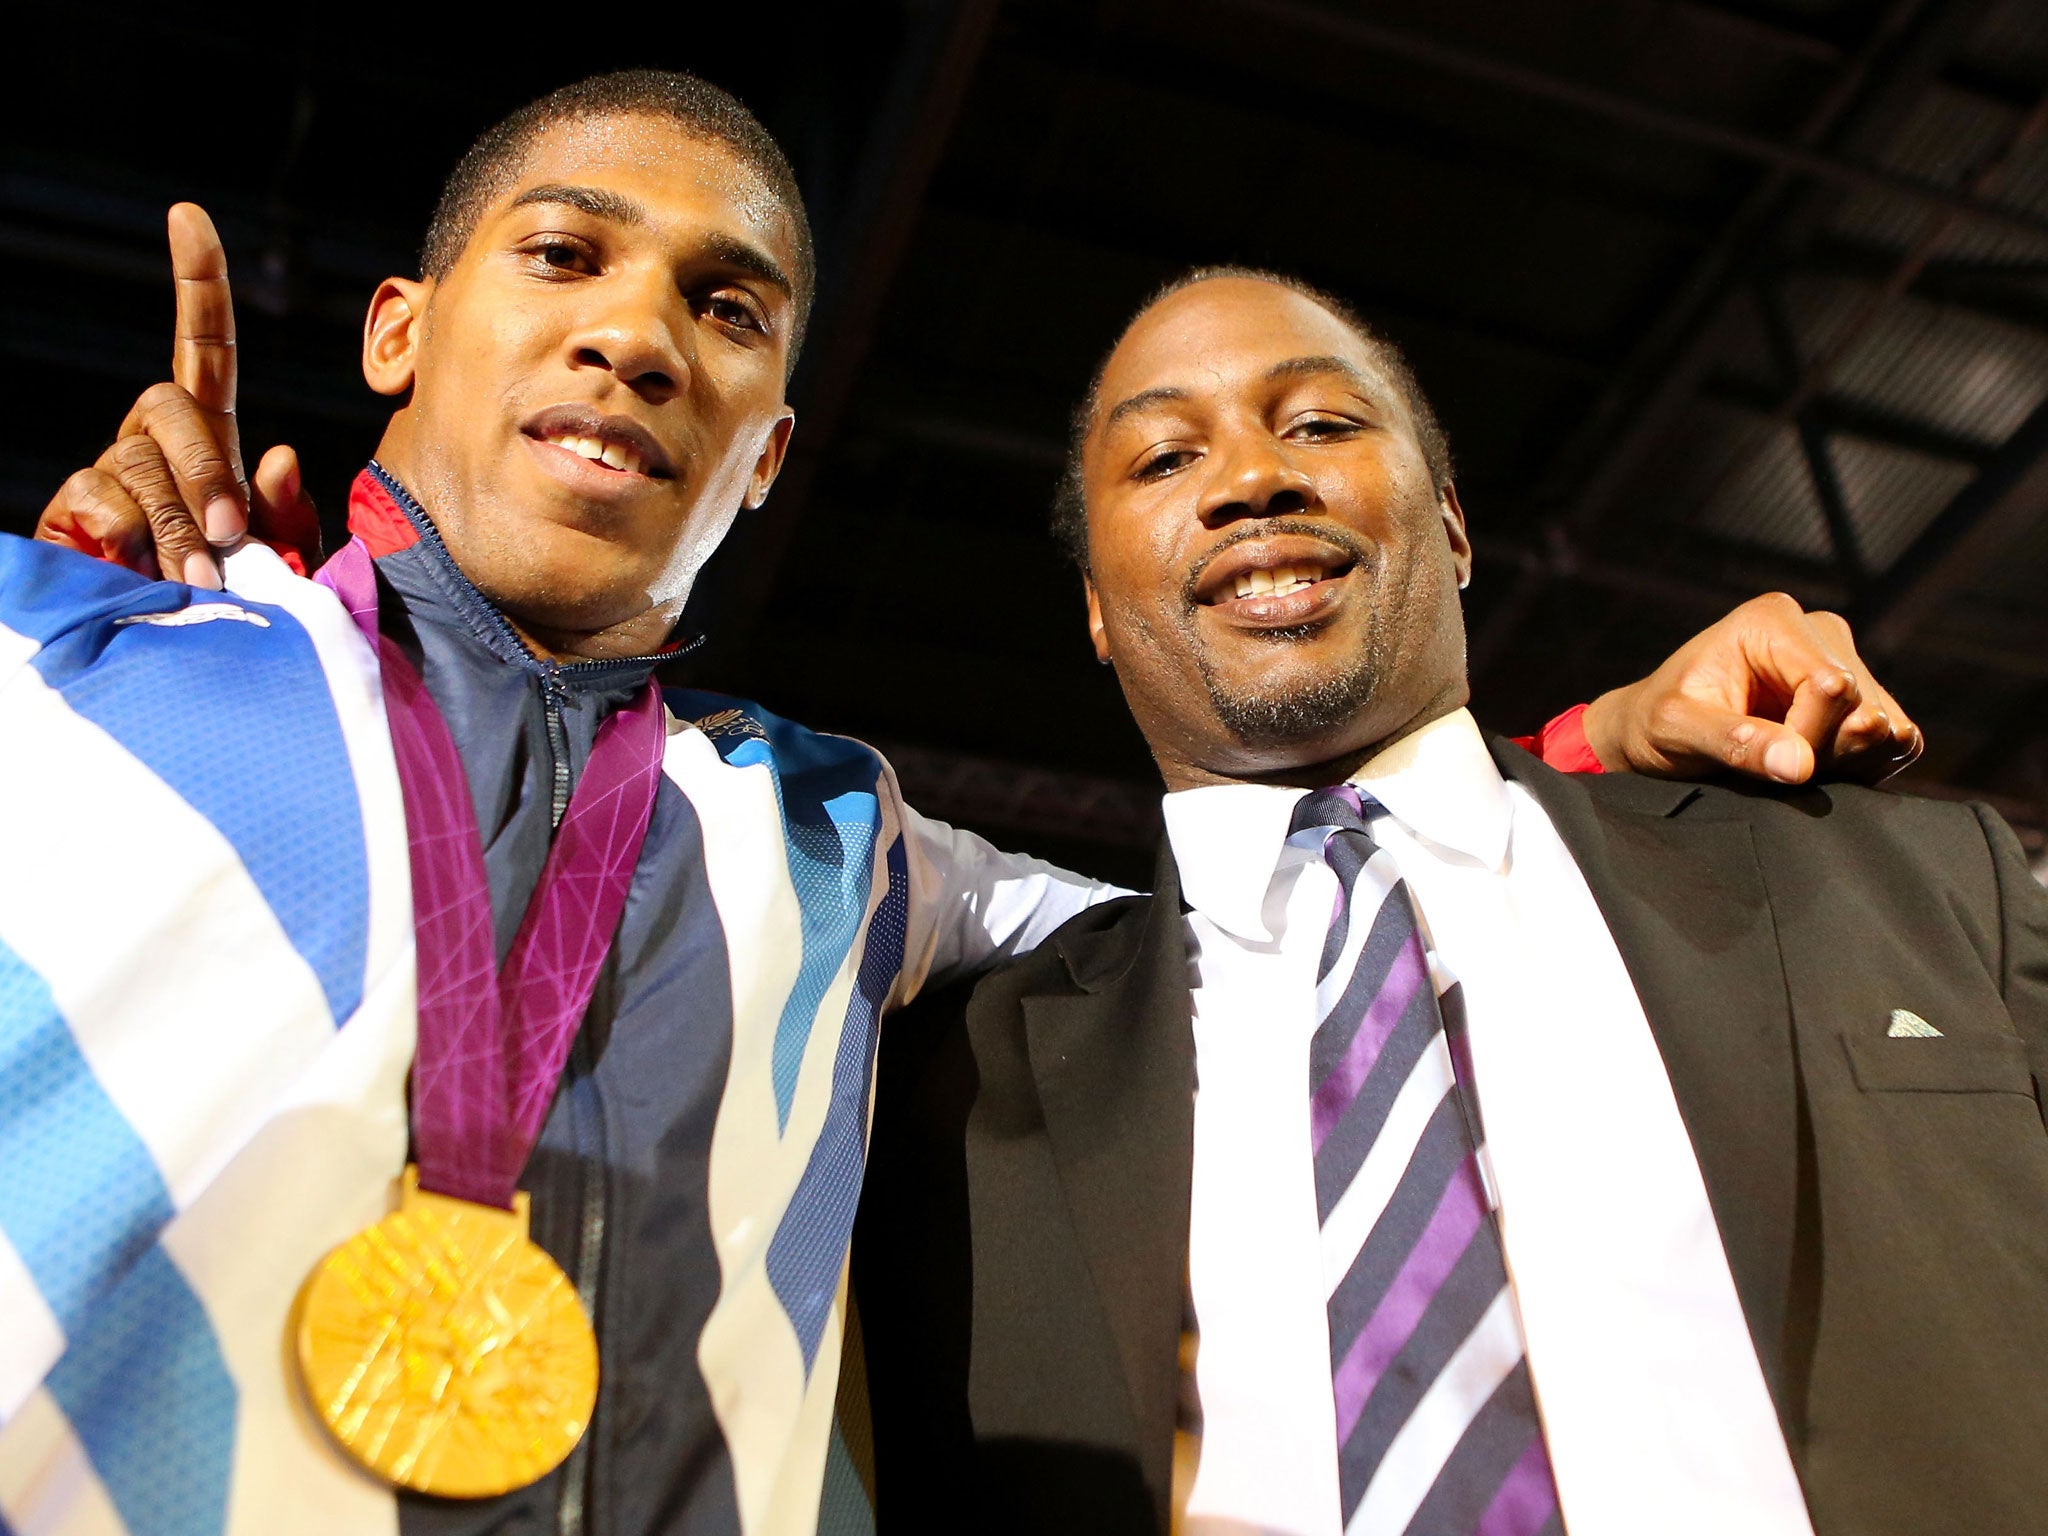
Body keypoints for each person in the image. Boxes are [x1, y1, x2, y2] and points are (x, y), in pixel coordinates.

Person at [10, 75, 1916, 1536]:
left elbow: (1274, 928)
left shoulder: (836, 836)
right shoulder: (54, 652)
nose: (637, 331)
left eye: (727, 305)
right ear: (397, 332)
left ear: (763, 454)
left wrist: (1581, 756)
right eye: (564, 254)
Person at [853, 268, 2048, 1536]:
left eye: (1318, 424)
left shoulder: (1888, 879)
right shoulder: (950, 1098)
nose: (1252, 478)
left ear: (1454, 526)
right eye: (1160, 459)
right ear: (1095, 607)